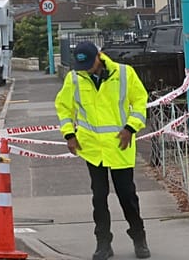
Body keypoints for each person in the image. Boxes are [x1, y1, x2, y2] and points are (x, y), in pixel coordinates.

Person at [55, 40, 151, 260]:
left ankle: (139, 238)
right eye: (82, 66)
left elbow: (140, 102)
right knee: (99, 197)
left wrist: (130, 128)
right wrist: (69, 135)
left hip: (120, 146)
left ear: (99, 56)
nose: (87, 69)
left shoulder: (125, 74)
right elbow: (63, 107)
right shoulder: (74, 78)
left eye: (89, 63)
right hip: (92, 149)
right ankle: (103, 244)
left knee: (127, 196)